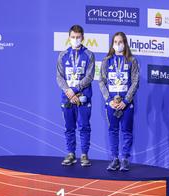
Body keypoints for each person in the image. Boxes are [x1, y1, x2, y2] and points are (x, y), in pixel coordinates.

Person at [99, 32, 139, 171]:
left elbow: (135, 82)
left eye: (120, 42)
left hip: (126, 104)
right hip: (111, 104)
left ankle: (125, 159)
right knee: (113, 131)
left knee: (127, 131)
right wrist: (109, 100)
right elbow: (101, 82)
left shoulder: (132, 60)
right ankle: (115, 159)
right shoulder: (106, 60)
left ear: (125, 43)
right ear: (112, 44)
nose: (118, 44)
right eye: (115, 42)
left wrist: (126, 100)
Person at [56, 25, 95, 167]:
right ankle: (71, 153)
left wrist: (75, 90)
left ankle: (84, 154)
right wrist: (68, 91)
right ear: (69, 38)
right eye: (73, 37)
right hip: (67, 97)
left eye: (78, 37)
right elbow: (59, 77)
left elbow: (90, 76)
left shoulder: (89, 55)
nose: (75, 39)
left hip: (83, 97)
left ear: (83, 38)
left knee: (84, 126)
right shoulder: (63, 55)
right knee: (69, 127)